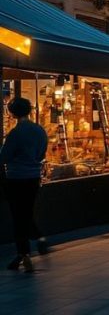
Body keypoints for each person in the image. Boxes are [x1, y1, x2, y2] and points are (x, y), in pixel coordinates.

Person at [1, 98, 49, 272]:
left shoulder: (15, 133)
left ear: (13, 113)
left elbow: (4, 157)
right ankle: (37, 240)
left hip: (16, 178)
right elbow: (42, 153)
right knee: (27, 211)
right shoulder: (39, 130)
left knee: (18, 216)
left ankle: (24, 253)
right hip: (33, 177)